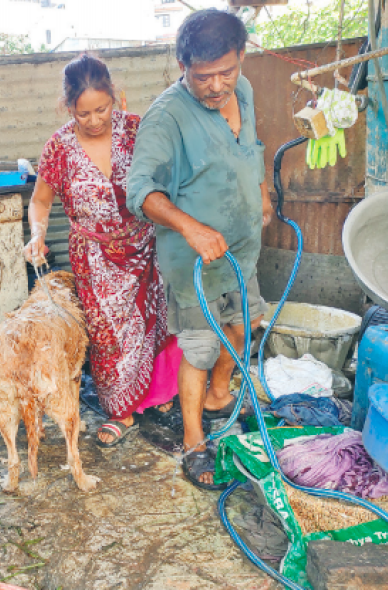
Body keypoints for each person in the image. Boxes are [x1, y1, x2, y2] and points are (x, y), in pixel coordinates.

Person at [127, 9, 274, 488]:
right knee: (199, 346)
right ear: (182, 66)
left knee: (242, 327)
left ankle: (218, 397)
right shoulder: (165, 117)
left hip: (241, 251)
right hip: (193, 260)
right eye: (202, 76)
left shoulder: (244, 91)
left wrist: (262, 191)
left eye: (225, 72)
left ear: (241, 58)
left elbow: (251, 145)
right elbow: (139, 190)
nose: (215, 86)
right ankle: (193, 441)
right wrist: (188, 226)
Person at [24, 53, 172, 447]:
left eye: (101, 109)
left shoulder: (138, 129)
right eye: (82, 113)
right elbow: (40, 201)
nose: (93, 120)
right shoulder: (58, 147)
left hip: (146, 247)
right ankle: (120, 410)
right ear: (68, 106)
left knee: (154, 321)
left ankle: (156, 396)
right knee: (108, 335)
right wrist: (36, 234)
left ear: (115, 96)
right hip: (94, 256)